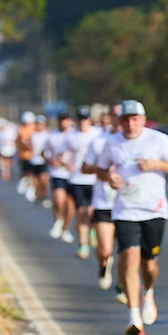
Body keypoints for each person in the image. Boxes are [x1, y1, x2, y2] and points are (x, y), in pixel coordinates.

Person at [101, 100, 168, 335]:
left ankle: (148, 291)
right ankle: (133, 315)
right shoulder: (111, 143)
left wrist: (156, 164)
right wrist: (108, 177)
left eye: (134, 119)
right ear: (119, 121)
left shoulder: (157, 139)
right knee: (128, 258)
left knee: (149, 264)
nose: (130, 124)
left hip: (153, 209)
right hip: (125, 210)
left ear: (142, 119)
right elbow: (98, 169)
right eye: (125, 119)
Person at [81, 113, 123, 291]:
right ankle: (104, 265)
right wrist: (102, 169)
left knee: (127, 250)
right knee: (105, 250)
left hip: (127, 205)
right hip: (103, 202)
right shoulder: (99, 142)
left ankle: (123, 286)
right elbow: (84, 167)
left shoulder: (140, 144)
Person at [68, 106, 102, 260]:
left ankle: (93, 229)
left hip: (95, 179)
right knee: (81, 212)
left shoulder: (98, 134)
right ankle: (83, 244)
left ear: (89, 119)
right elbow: (60, 153)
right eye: (80, 119)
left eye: (85, 119)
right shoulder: (71, 135)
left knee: (92, 211)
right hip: (77, 179)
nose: (83, 122)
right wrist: (64, 163)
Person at [45, 113, 76, 242]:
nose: (64, 123)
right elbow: (44, 152)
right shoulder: (52, 135)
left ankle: (66, 228)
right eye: (61, 120)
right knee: (58, 199)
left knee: (69, 204)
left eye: (66, 120)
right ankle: (58, 220)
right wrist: (51, 161)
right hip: (57, 173)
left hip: (73, 175)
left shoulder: (75, 134)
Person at [29, 115, 52, 207]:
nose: (40, 126)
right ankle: (38, 196)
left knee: (44, 179)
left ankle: (44, 195)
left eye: (42, 124)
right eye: (38, 124)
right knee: (36, 181)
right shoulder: (33, 135)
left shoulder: (48, 134)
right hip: (34, 160)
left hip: (44, 160)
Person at [16, 111, 37, 198]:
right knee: (26, 172)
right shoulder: (21, 130)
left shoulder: (35, 129)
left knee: (32, 173)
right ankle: (25, 183)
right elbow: (20, 141)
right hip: (24, 155)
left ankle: (31, 189)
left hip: (33, 156)